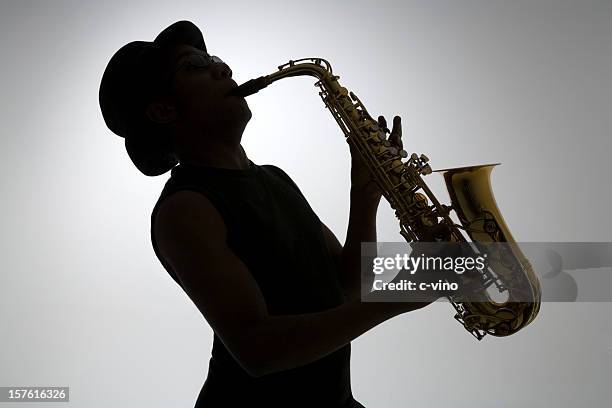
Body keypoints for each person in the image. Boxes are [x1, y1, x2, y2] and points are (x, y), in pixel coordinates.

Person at [99, 20, 433, 408]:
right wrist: (405, 294)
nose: (223, 68)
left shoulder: (274, 178)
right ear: (162, 110)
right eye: (194, 66)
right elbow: (258, 348)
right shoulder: (184, 208)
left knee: (509, 276)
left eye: (214, 59)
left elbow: (345, 287)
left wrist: (365, 192)